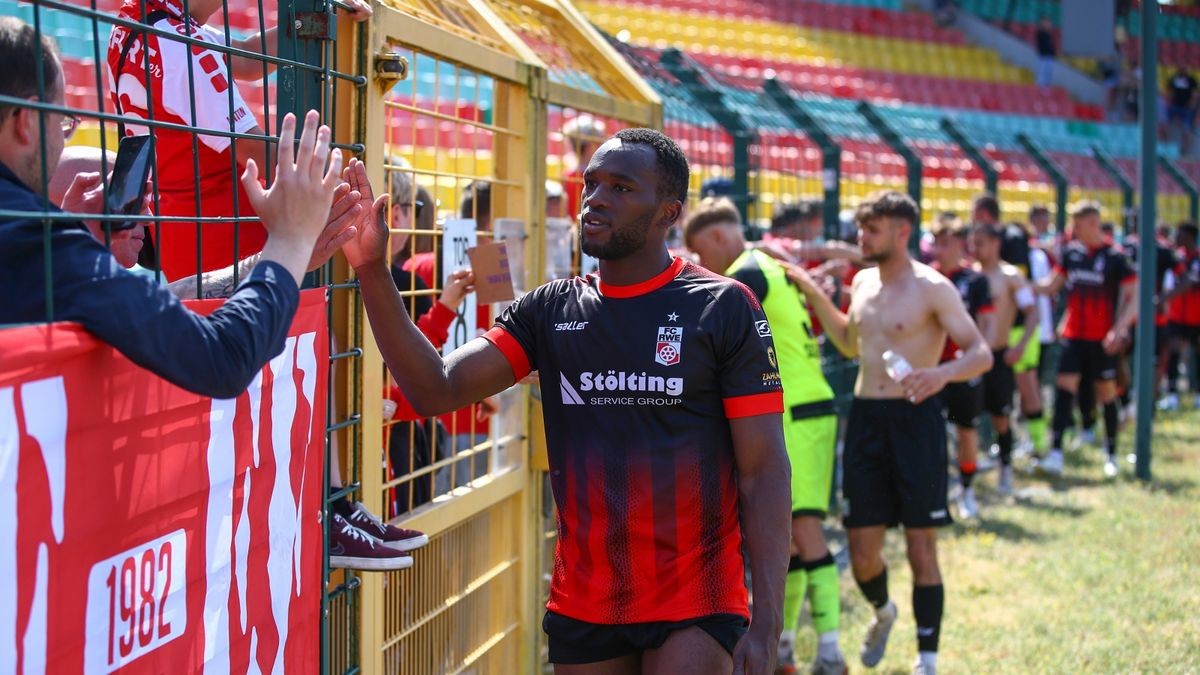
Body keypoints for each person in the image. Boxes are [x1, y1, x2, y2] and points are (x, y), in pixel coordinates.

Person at [339, 127, 791, 674]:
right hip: (585, 600)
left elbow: (764, 470)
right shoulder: (550, 309)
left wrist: (767, 625)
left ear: (669, 211)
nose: (596, 198)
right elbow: (436, 387)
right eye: (592, 183)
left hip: (695, 600)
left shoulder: (723, 307)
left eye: (622, 187)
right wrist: (369, 267)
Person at [787, 191, 992, 675]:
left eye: (872, 230)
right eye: (861, 229)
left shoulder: (933, 287)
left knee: (922, 544)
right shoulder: (860, 282)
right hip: (865, 420)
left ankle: (927, 660)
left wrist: (941, 374)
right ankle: (883, 611)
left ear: (902, 232)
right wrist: (813, 291)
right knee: (861, 553)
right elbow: (849, 342)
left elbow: (980, 352)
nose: (861, 238)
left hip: (915, 421)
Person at [683, 198, 847, 675]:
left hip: (795, 411)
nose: (699, 264)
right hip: (797, 409)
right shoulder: (766, 264)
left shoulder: (744, 274)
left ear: (716, 238)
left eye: (698, 252)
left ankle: (832, 651)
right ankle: (790, 646)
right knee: (789, 536)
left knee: (806, 530)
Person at [106, 0, 371, 279]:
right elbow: (260, 154)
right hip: (231, 247)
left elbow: (244, 56)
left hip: (180, 238)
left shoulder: (137, 19)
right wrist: (346, 195)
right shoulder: (182, 46)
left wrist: (318, 19)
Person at [1036, 202, 1138, 479]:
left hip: (1101, 340)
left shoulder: (1116, 257)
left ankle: (1111, 454)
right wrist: (1018, 283)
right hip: (1073, 336)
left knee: (1106, 393)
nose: (1072, 231)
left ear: (1093, 224)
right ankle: (1056, 452)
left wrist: (1119, 329)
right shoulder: (1071, 254)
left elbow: (1134, 296)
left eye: (1077, 225)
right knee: (1064, 387)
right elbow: (1051, 286)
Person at [929, 214, 993, 518]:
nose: (938, 250)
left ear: (959, 244)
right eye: (936, 244)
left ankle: (967, 490)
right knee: (932, 433)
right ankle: (938, 493)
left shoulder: (976, 280)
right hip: (931, 369)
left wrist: (976, 359)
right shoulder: (927, 278)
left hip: (963, 369)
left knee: (966, 431)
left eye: (945, 243)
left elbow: (985, 326)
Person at [972, 223, 1038, 497]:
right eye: (972, 243)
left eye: (981, 243)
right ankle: (969, 472)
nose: (975, 249)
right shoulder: (969, 275)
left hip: (999, 355)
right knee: (966, 419)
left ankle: (1005, 469)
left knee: (1001, 417)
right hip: (970, 358)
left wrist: (1020, 346)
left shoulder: (1011, 276)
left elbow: (1032, 314)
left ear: (995, 243)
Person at [1163, 223, 1200, 409]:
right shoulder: (1176, 257)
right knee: (1173, 352)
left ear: (1190, 237)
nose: (1177, 238)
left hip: (1197, 316)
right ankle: (1171, 394)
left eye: (1181, 234)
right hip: (1177, 315)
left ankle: (1198, 394)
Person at [1165, 67, 1197, 154]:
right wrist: (1169, 102)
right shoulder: (1174, 78)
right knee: (1164, 125)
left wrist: (1191, 105)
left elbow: (1195, 94)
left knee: (1187, 129)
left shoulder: (1191, 80)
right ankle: (1165, 147)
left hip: (1186, 108)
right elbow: (1169, 91)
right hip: (1174, 106)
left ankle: (1184, 150)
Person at [1034, 16, 1057, 89]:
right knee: (1042, 75)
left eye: (1049, 23)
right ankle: (1040, 90)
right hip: (1043, 57)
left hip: (1050, 58)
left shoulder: (1049, 35)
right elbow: (1043, 46)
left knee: (1049, 76)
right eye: (1046, 23)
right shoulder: (1040, 33)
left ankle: (1047, 90)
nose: (1048, 25)